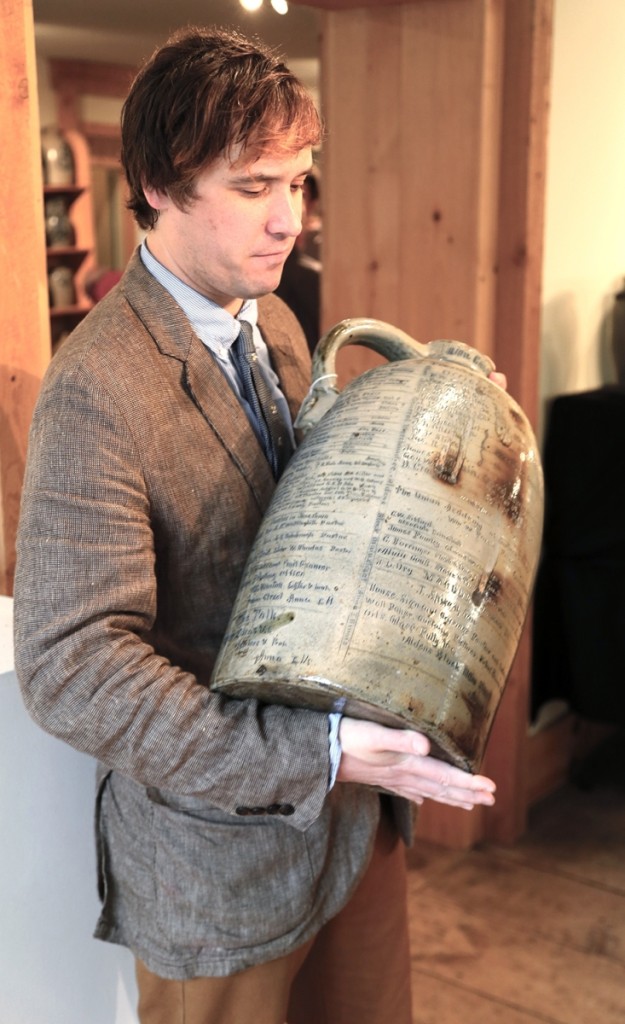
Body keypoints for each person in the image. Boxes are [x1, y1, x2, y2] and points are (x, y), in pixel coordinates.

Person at [13, 26, 497, 1024]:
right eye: (253, 186)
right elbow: (72, 664)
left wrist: (437, 418)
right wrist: (314, 754)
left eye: (300, 181)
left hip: (356, 827)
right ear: (155, 182)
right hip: (217, 865)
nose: (290, 219)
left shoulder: (273, 319)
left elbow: (295, 528)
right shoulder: (93, 388)